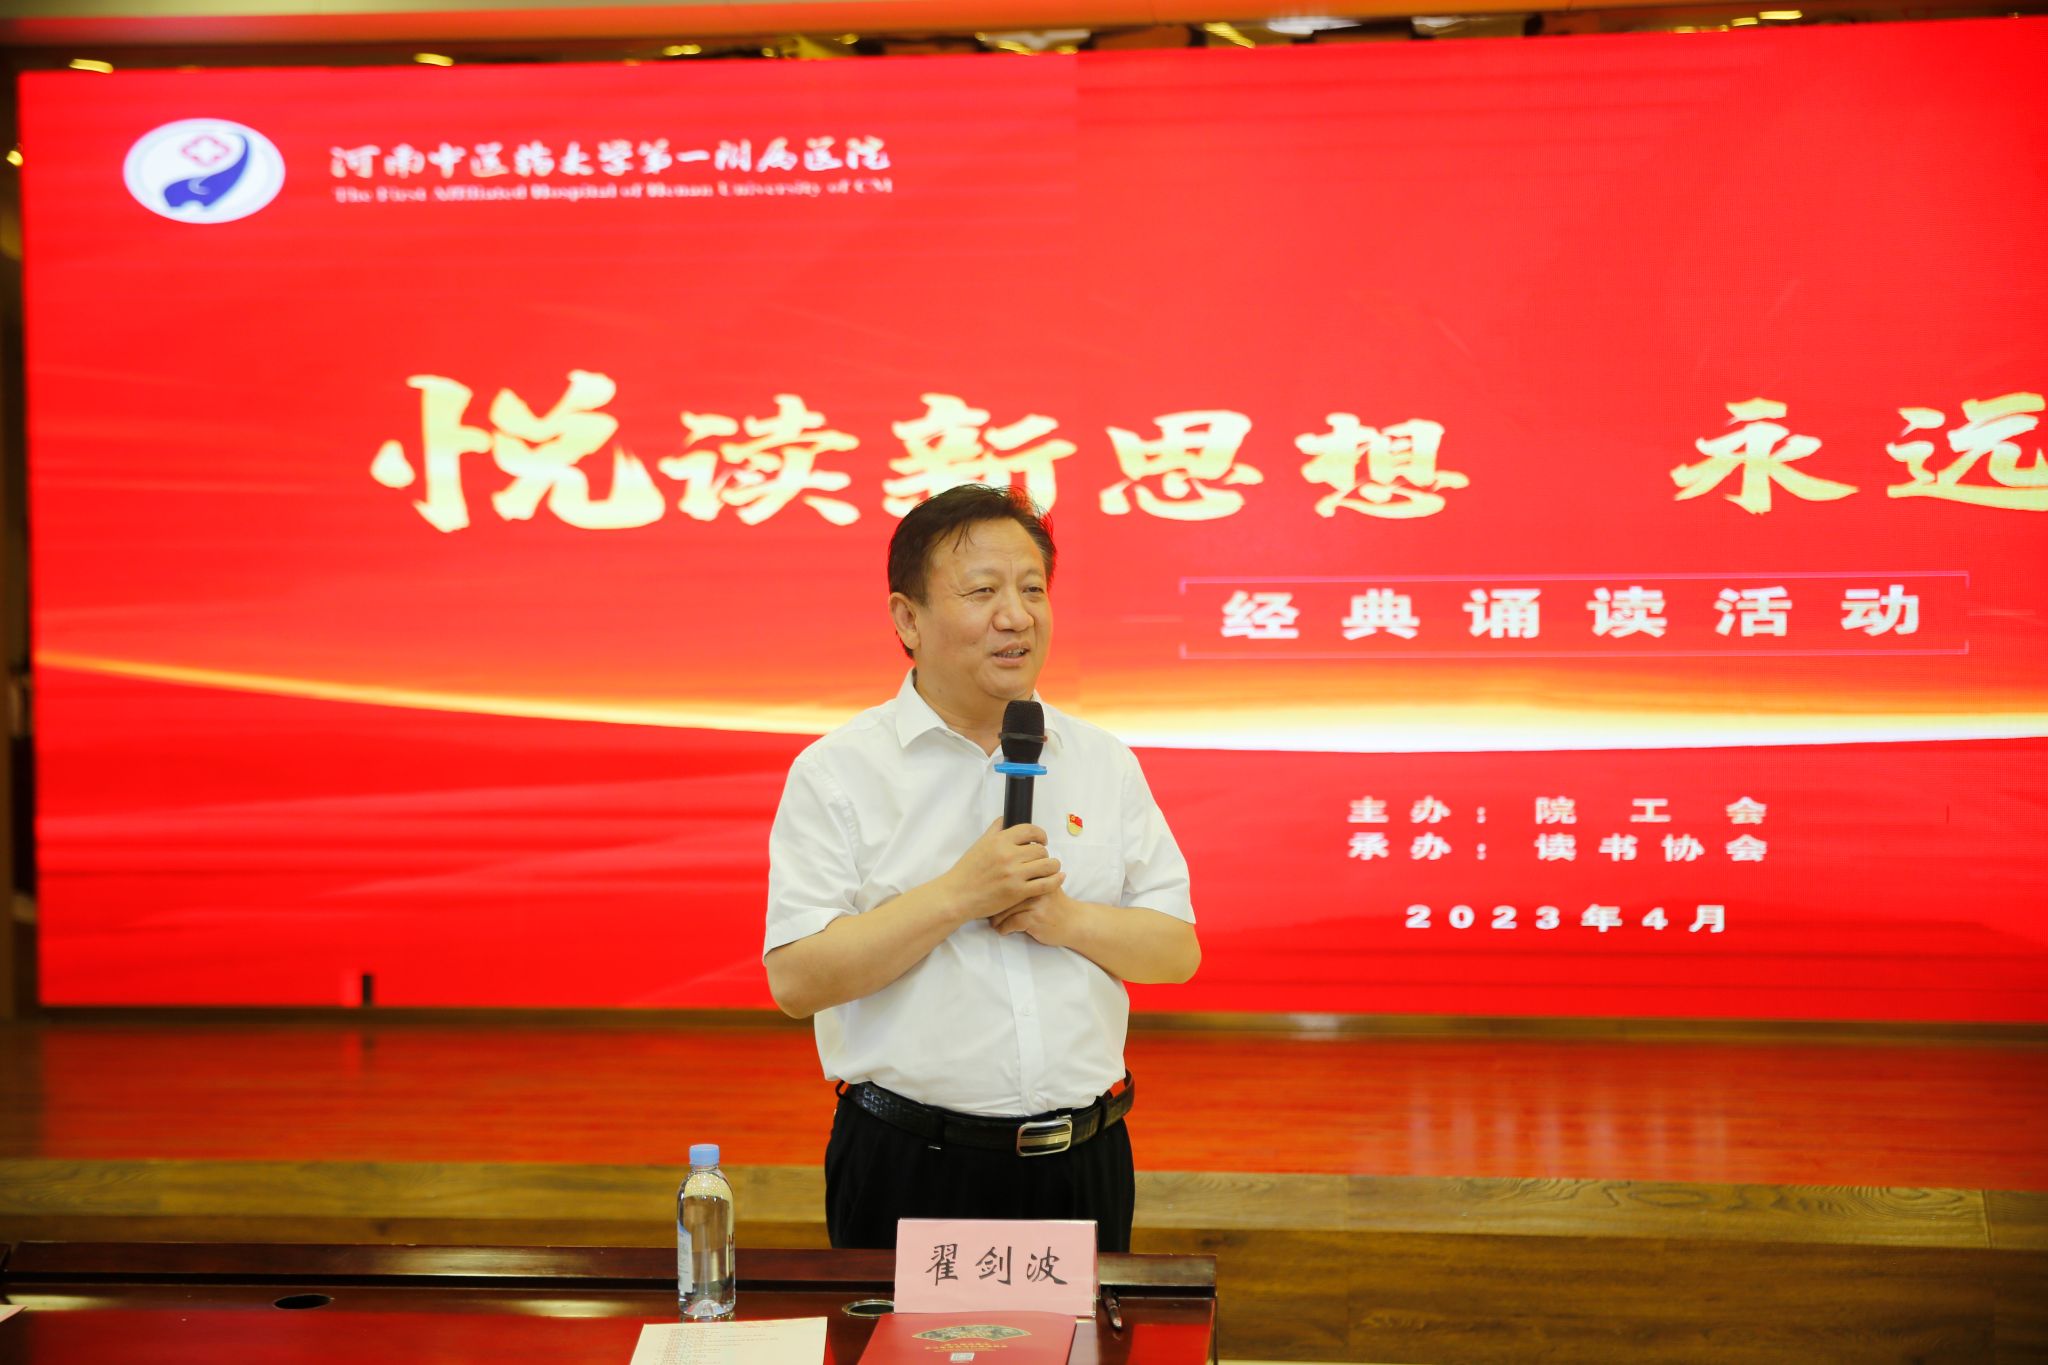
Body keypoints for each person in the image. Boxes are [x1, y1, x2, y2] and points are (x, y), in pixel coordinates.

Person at [763, 483, 1199, 1252]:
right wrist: (958, 895)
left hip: (1085, 1162)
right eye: (983, 591)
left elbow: (1176, 950)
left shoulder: (1102, 761)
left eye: (1032, 589)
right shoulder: (838, 772)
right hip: (912, 1167)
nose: (1017, 616)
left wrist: (1066, 919)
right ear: (908, 618)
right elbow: (797, 979)